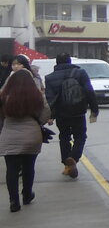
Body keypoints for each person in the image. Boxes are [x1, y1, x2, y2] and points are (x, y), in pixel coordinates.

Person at [0, 68, 52, 211]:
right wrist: (38, 122)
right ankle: (27, 194)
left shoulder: (4, 97)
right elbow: (46, 112)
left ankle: (13, 201)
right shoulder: (37, 96)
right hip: (32, 134)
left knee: (11, 169)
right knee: (29, 166)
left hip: (9, 134)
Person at [44, 53, 98, 179]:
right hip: (78, 111)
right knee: (80, 136)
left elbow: (50, 99)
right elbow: (89, 91)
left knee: (64, 137)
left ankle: (67, 165)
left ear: (56, 63)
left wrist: (51, 115)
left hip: (62, 114)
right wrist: (94, 110)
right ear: (69, 61)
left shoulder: (50, 78)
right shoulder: (80, 73)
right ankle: (73, 157)